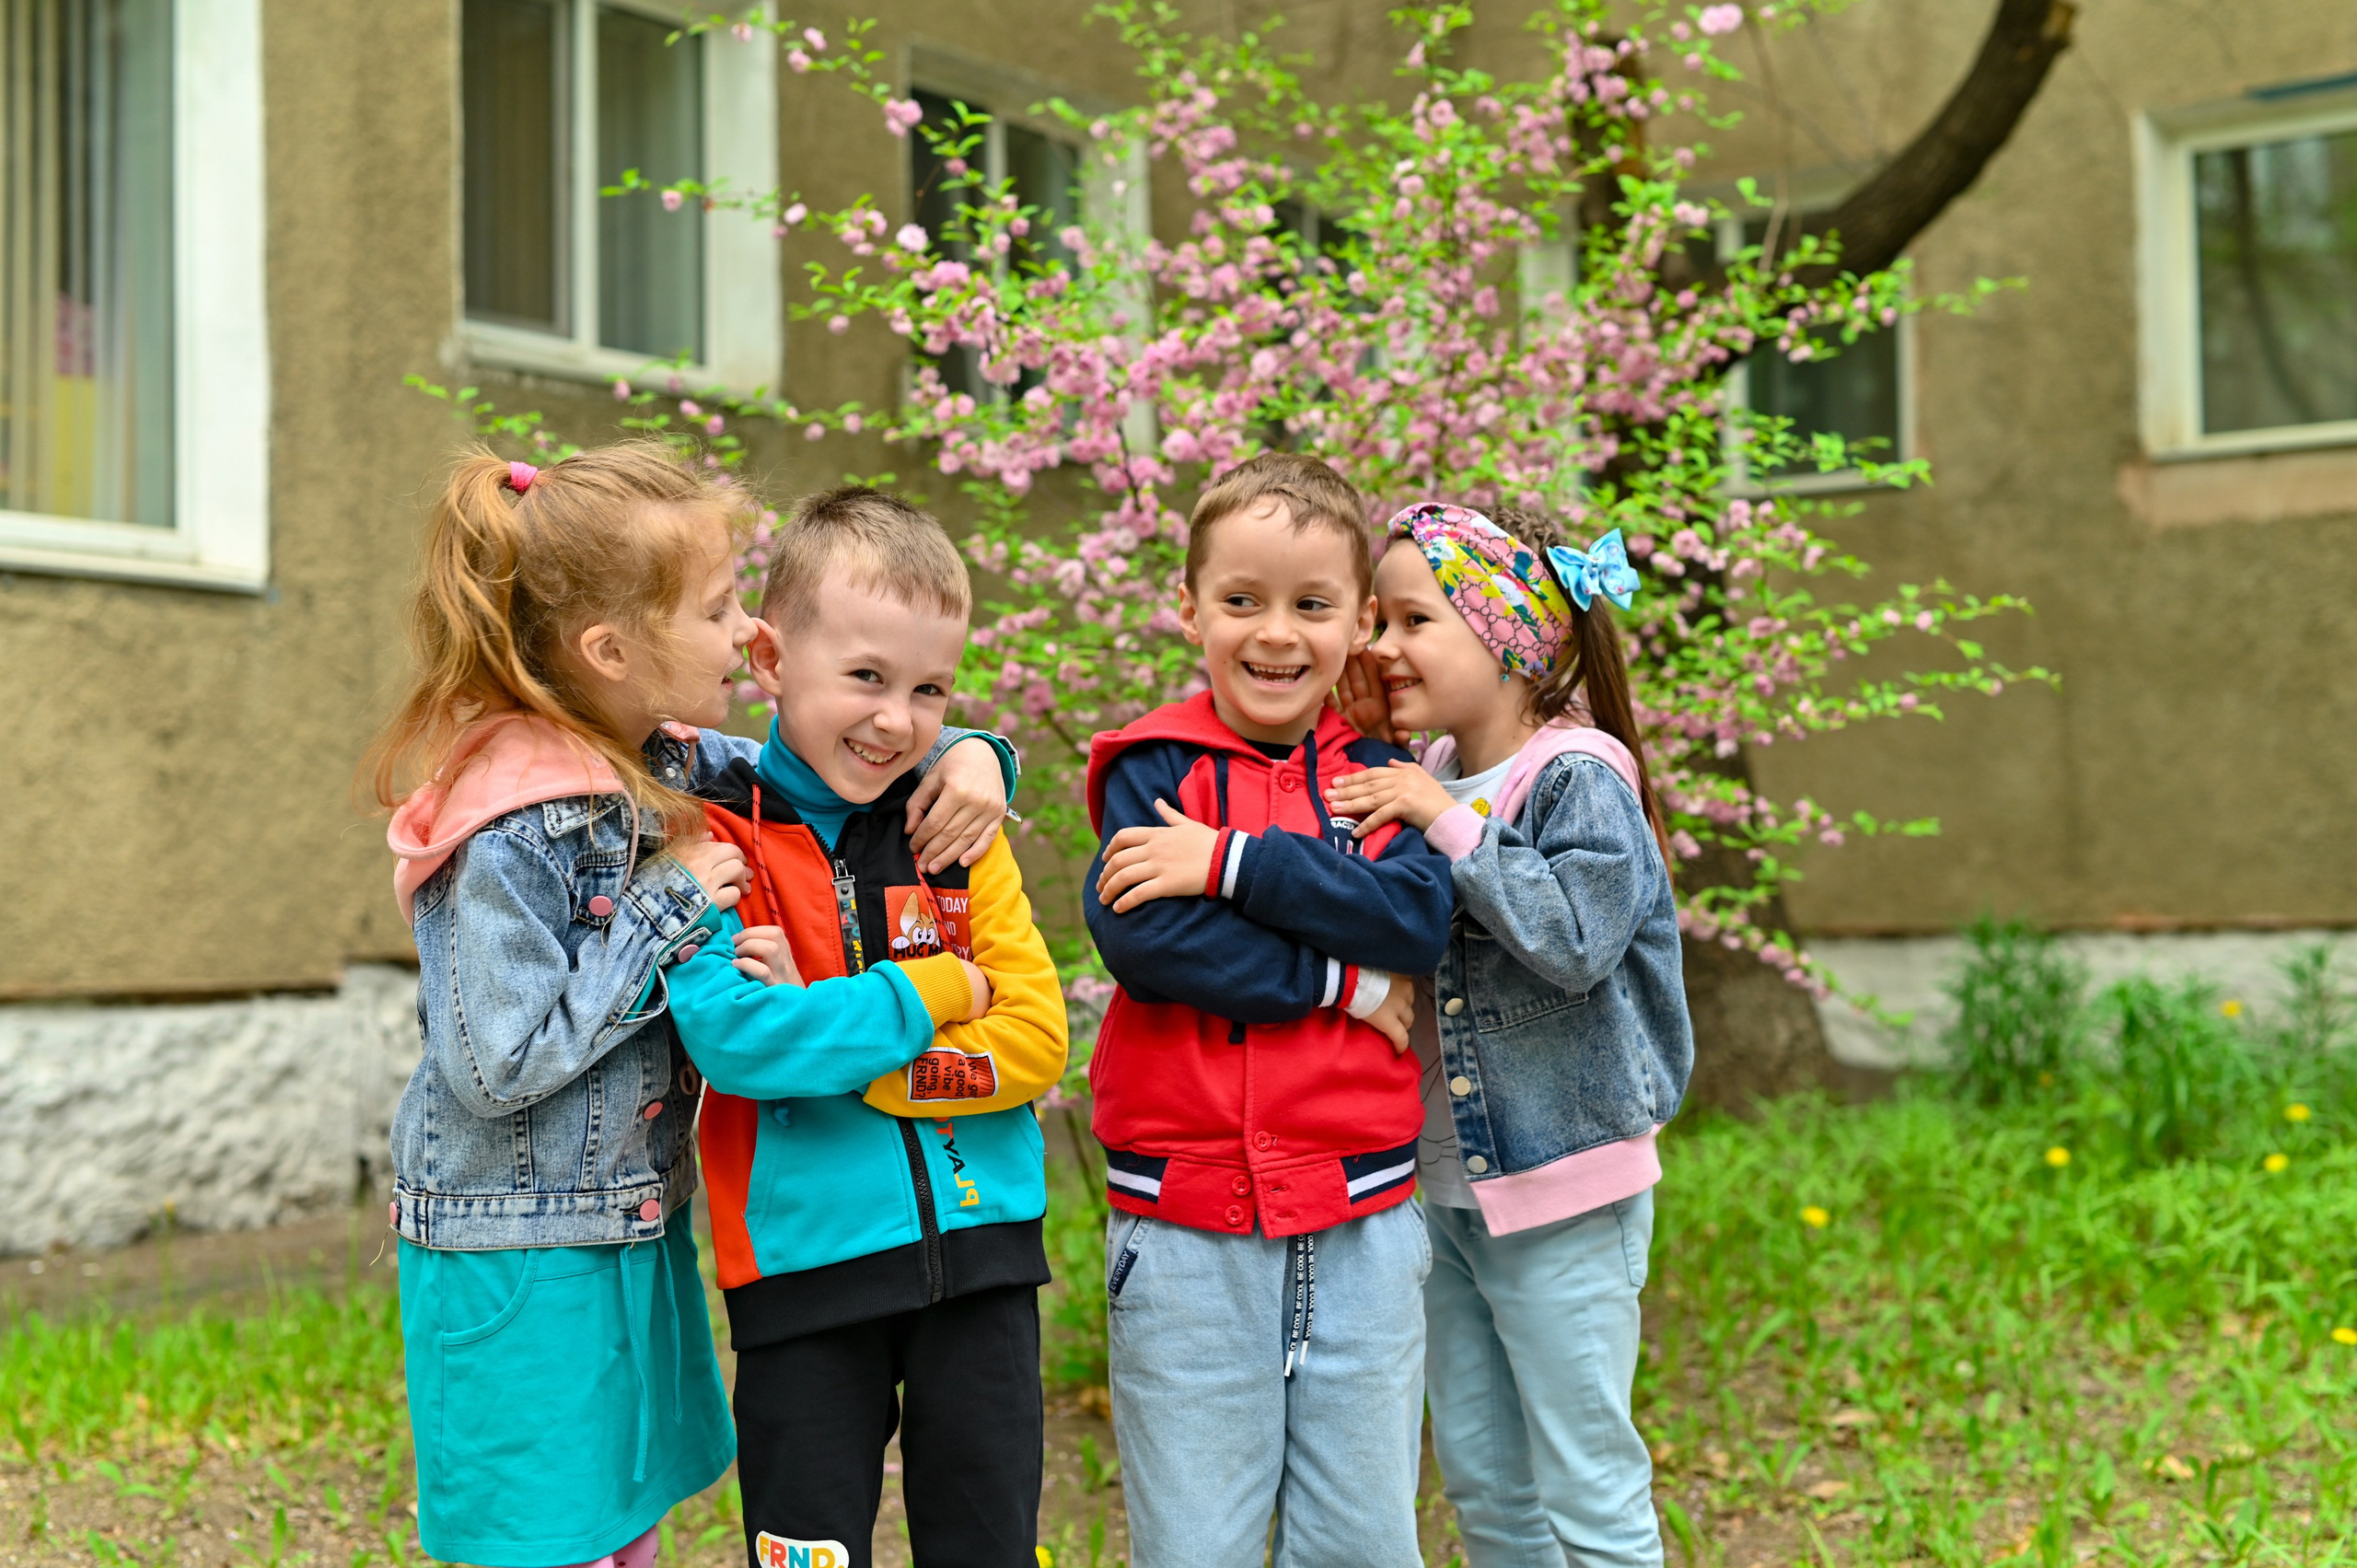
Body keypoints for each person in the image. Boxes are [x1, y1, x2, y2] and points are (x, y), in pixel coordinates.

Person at [371, 447, 1013, 1568]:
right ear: (611, 651)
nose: (744, 637)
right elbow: (494, 1063)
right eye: (719, 610)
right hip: (518, 1247)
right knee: (546, 1533)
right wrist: (662, 917)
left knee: (622, 1525)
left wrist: (973, 753)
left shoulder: (655, 754)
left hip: (620, 1218)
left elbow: (824, 754)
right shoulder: (509, 824)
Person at [662, 486, 1068, 1568]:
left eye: (931, 688)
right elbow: (741, 1045)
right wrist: (936, 991)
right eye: (865, 677)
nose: (897, 718)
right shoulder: (709, 839)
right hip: (802, 1277)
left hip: (982, 1265)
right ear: (768, 657)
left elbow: (1034, 1041)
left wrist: (845, 1047)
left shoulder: (959, 827)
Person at [1083, 453, 1455, 1568]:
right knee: (1195, 1542)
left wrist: (1233, 864)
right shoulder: (1152, 768)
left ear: (1358, 622)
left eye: (1311, 604)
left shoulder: (1379, 776)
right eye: (1241, 600)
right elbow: (1151, 943)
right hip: (1187, 1227)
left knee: (1363, 1541)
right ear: (1188, 607)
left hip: (1362, 1224)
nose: (1275, 633)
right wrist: (1342, 983)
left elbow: (1409, 920)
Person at [1324, 501, 1694, 1568]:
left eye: (1411, 619)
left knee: (1585, 1477)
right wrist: (1383, 756)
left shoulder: (1578, 774)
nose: (1379, 644)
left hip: (1563, 1179)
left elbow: (1575, 939)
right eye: (1376, 620)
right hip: (1439, 1183)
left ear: (1509, 639)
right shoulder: (1423, 764)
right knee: (1485, 1479)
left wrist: (1440, 815)